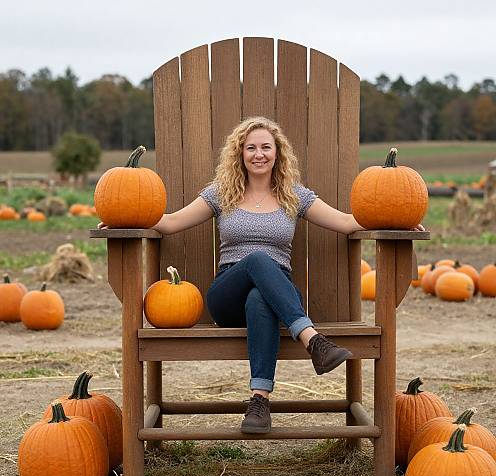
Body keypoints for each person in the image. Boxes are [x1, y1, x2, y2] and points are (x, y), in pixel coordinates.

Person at [100, 116, 424, 434]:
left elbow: (347, 221)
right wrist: (122, 218)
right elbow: (170, 222)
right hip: (227, 294)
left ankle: (259, 402)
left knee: (260, 298)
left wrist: (398, 219)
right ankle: (313, 341)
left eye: (266, 147)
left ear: (277, 153)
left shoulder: (294, 195)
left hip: (277, 295)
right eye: (251, 147)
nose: (259, 154)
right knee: (257, 259)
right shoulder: (221, 193)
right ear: (240, 153)